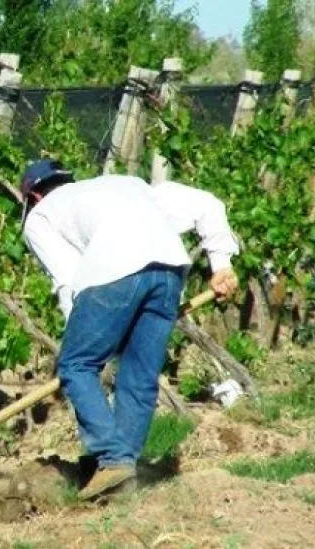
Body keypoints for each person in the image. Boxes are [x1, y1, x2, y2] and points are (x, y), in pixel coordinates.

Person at [19, 158, 240, 501]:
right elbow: (208, 205)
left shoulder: (40, 216)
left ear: (34, 196)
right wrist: (221, 265)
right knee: (138, 375)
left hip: (114, 272)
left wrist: (80, 335)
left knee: (77, 365)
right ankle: (121, 477)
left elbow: (67, 279)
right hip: (169, 271)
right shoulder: (128, 185)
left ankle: (112, 458)